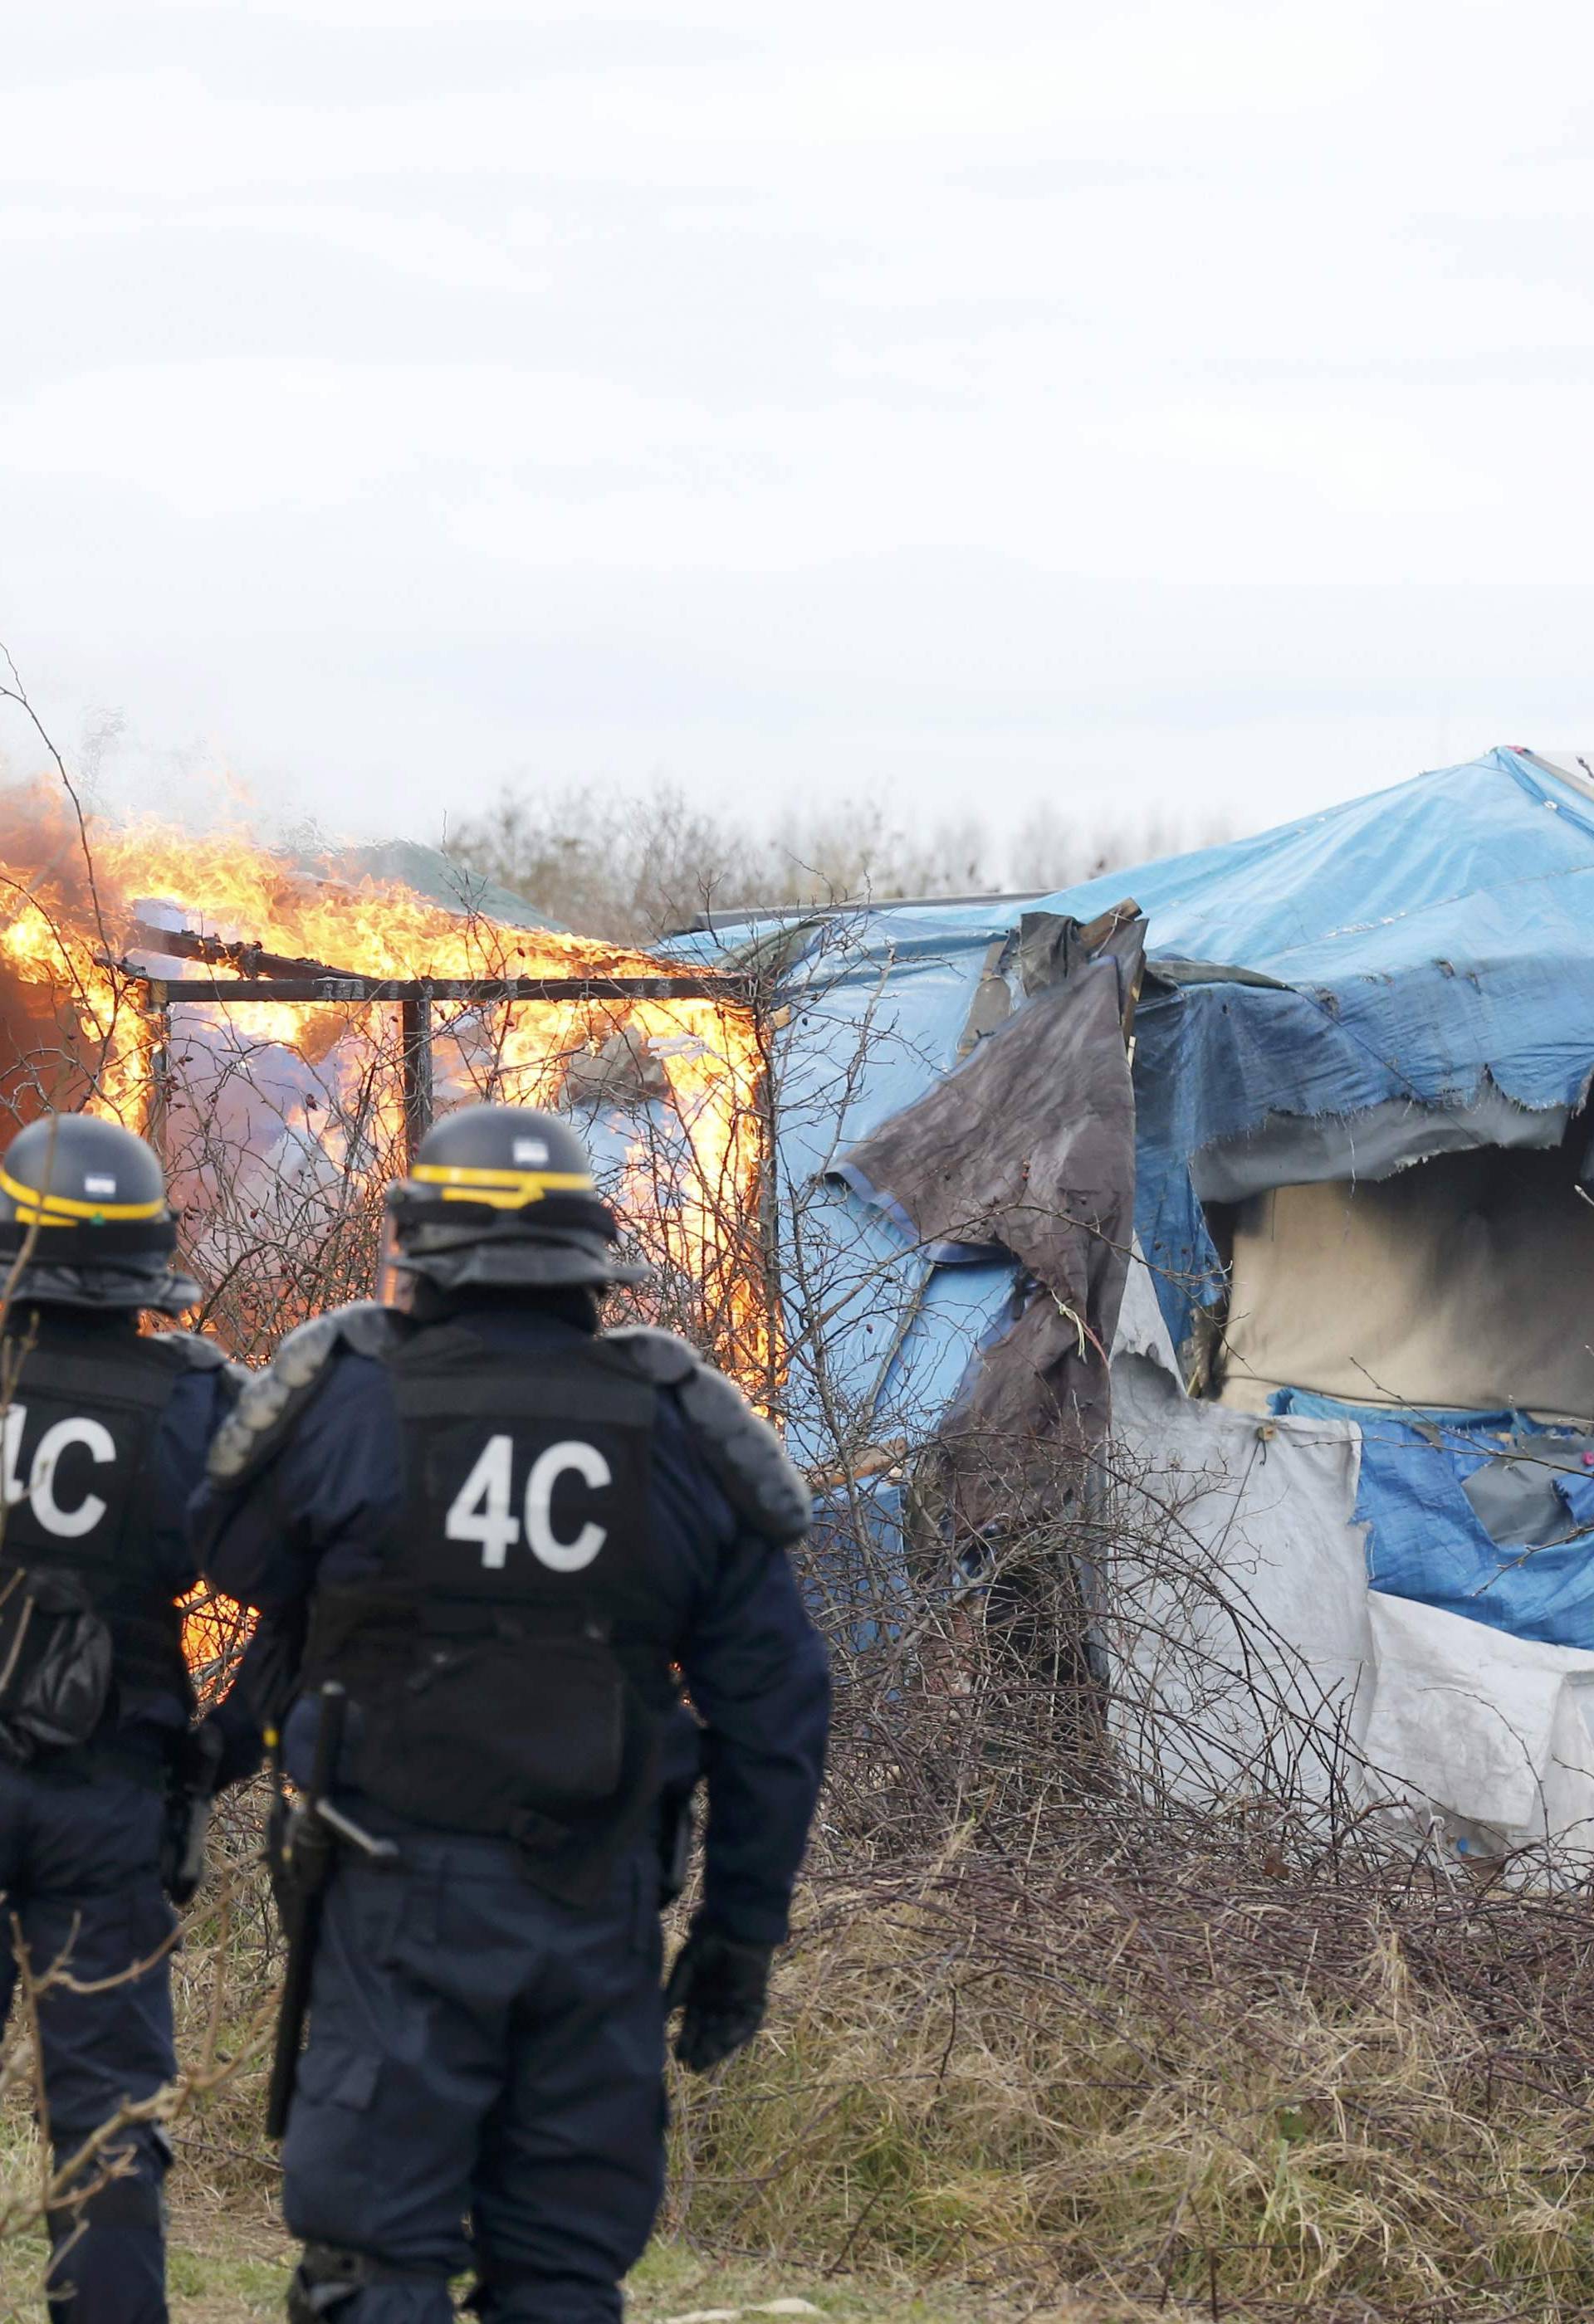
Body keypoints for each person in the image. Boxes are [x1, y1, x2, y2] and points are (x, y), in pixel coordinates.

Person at [191, 1102, 829, 2324]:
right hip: (597, 1910)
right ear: (593, 1269)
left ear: (422, 1260)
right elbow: (777, 1705)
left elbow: (233, 1554)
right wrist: (743, 1928)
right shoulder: (683, 1430)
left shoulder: (347, 1401)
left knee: (373, 2267)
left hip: (393, 1897)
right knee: (562, 2273)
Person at [0, 1111, 262, 2324]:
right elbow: (318, 1582)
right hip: (110, 1795)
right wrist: (236, 1736)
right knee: (107, 2120)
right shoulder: (194, 1400)